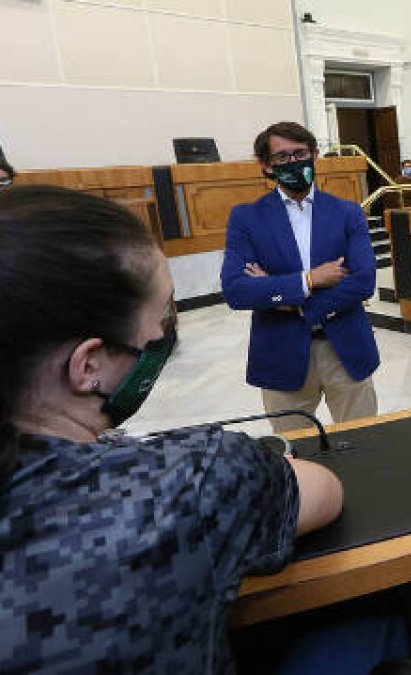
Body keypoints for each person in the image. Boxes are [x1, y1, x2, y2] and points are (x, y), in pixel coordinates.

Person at [0, 186, 344, 671]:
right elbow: (323, 490)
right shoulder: (188, 479)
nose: (166, 334)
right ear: (89, 364)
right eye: (161, 317)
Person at [221, 121, 380, 434]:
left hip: (345, 351)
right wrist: (309, 280)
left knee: (363, 445)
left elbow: (363, 281)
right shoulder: (246, 217)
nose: (293, 162)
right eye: (282, 158)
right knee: (296, 454)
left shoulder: (347, 212)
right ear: (266, 165)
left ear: (315, 154)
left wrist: (287, 298)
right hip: (282, 353)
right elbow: (236, 290)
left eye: (300, 153)